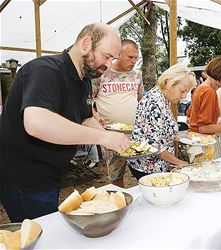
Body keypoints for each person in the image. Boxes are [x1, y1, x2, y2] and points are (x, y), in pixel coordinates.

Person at [0, 22, 131, 222]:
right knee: (38, 236)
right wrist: (102, 137)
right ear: (86, 44)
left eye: (112, 59)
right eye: (107, 56)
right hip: (24, 176)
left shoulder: (84, 80)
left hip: (50, 173)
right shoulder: (45, 71)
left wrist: (108, 140)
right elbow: (36, 122)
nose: (108, 66)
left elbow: (86, 117)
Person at [127, 64, 196, 180]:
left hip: (156, 164)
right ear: (169, 82)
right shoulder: (154, 103)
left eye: (187, 92)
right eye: (182, 91)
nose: (184, 96)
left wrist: (178, 137)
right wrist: (179, 162)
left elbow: (160, 130)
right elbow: (156, 147)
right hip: (148, 166)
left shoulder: (163, 98)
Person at [92, 39, 143, 187]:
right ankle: (121, 203)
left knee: (142, 171)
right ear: (118, 54)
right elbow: (87, 101)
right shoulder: (101, 75)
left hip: (136, 133)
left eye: (136, 58)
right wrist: (95, 116)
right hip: (111, 135)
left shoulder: (136, 76)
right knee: (116, 175)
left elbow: (139, 99)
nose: (133, 61)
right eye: (130, 57)